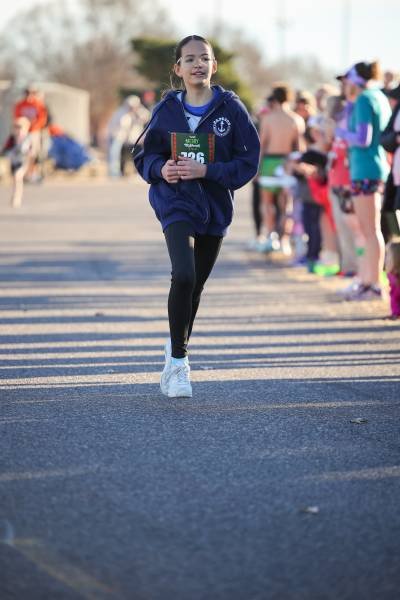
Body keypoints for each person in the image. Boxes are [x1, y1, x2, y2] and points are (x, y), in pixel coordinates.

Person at [133, 35, 260, 398]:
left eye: (204, 58)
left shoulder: (231, 109)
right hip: (175, 202)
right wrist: (161, 169)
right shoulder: (166, 109)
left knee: (196, 286)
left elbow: (247, 162)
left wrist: (208, 171)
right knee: (184, 275)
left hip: (215, 208)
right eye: (189, 59)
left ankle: (175, 344)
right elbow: (144, 155)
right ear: (178, 69)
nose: (197, 64)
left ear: (214, 65)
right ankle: (178, 363)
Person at [335, 62, 392, 301]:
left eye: (347, 80)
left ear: (355, 80)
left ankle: (373, 285)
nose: (344, 85)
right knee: (369, 231)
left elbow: (362, 138)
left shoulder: (364, 99)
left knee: (370, 231)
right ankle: (367, 281)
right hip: (371, 168)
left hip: (366, 169)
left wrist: (339, 132)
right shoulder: (376, 96)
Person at [258, 84, 305, 253]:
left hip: (270, 162)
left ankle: (271, 237)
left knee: (267, 203)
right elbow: (299, 149)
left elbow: (262, 145)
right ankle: (284, 241)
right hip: (287, 163)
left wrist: (257, 168)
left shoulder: (268, 118)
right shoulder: (296, 119)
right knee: (286, 205)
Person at [13, 85, 48, 182]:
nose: (29, 95)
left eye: (32, 93)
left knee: (33, 153)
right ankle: (23, 173)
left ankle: (32, 173)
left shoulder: (38, 105)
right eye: (27, 93)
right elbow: (17, 117)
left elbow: (42, 119)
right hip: (23, 133)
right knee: (22, 153)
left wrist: (33, 125)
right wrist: (23, 125)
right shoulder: (20, 105)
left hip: (34, 132)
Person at [1, 117, 32, 207]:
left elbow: (27, 151)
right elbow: (6, 149)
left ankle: (17, 197)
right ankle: (16, 194)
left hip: (23, 162)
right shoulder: (12, 139)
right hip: (14, 162)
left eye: (20, 128)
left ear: (26, 128)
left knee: (18, 177)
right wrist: (5, 152)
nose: (18, 130)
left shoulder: (27, 138)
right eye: (16, 127)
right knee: (16, 180)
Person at [384, 238, 400, 318]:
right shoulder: (391, 276)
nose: (385, 260)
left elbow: (395, 298)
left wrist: (396, 313)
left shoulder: (395, 279)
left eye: (388, 257)